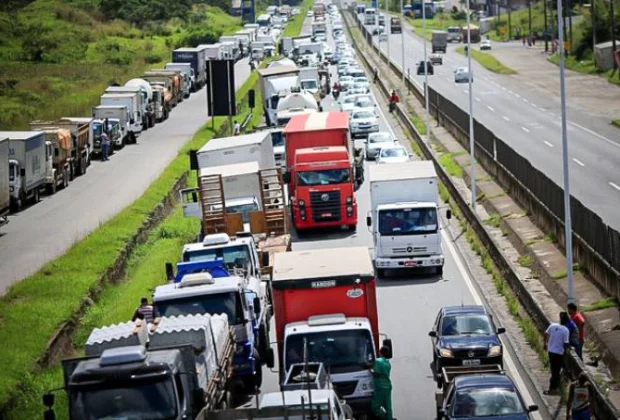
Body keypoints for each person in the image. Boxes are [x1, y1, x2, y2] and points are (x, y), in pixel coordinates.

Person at [544, 312, 570, 395]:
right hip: (559, 353)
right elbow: (565, 344)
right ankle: (553, 389)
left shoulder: (553, 325)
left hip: (551, 352)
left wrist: (545, 344)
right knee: (556, 372)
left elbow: (545, 334)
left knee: (554, 370)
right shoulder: (566, 330)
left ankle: (554, 387)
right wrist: (567, 351)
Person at [368, 346, 393, 420]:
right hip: (388, 386)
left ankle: (383, 417)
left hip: (380, 387)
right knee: (388, 407)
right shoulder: (387, 362)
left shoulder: (378, 361)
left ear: (380, 352)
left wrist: (370, 370)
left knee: (375, 406)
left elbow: (376, 374)